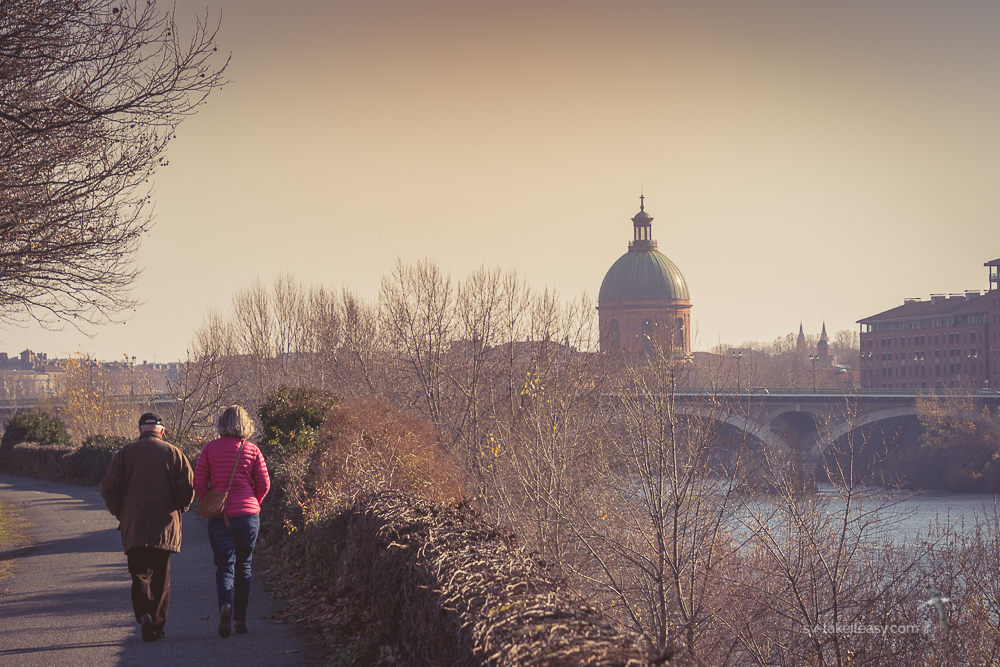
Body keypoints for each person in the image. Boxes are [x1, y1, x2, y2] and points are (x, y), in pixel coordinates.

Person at [101, 412, 195, 643]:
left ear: (140, 430)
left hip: (135, 524)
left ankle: (143, 613)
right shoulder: (175, 453)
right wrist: (180, 509)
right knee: (162, 577)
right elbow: (189, 488)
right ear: (161, 431)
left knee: (139, 574)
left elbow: (109, 489)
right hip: (164, 524)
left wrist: (121, 513)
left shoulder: (125, 454)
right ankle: (157, 623)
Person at [193, 405, 270, 638]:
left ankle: (225, 605)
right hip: (248, 517)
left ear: (221, 423)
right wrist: (253, 503)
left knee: (224, 567)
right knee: (244, 567)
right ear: (245, 424)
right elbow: (264, 484)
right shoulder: (253, 449)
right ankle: (239, 620)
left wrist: (210, 501)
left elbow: (198, 483)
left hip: (220, 517)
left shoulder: (209, 449)